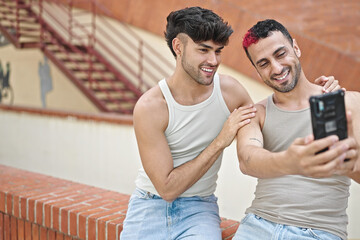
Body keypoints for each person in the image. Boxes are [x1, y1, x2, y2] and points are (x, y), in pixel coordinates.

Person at [120, 7, 340, 239]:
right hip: (148, 204)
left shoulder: (230, 92)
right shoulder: (151, 107)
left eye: (218, 51)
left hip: (199, 208)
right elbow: (167, 189)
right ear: (178, 47)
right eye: (203, 50)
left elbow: (273, 114)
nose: (213, 61)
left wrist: (320, 93)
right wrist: (220, 141)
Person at [234, 19, 360, 240]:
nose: (276, 68)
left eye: (280, 54)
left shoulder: (348, 102)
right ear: (257, 71)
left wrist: (348, 163)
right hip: (257, 226)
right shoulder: (257, 113)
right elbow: (247, 160)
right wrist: (291, 161)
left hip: (318, 232)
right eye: (264, 63)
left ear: (296, 48)